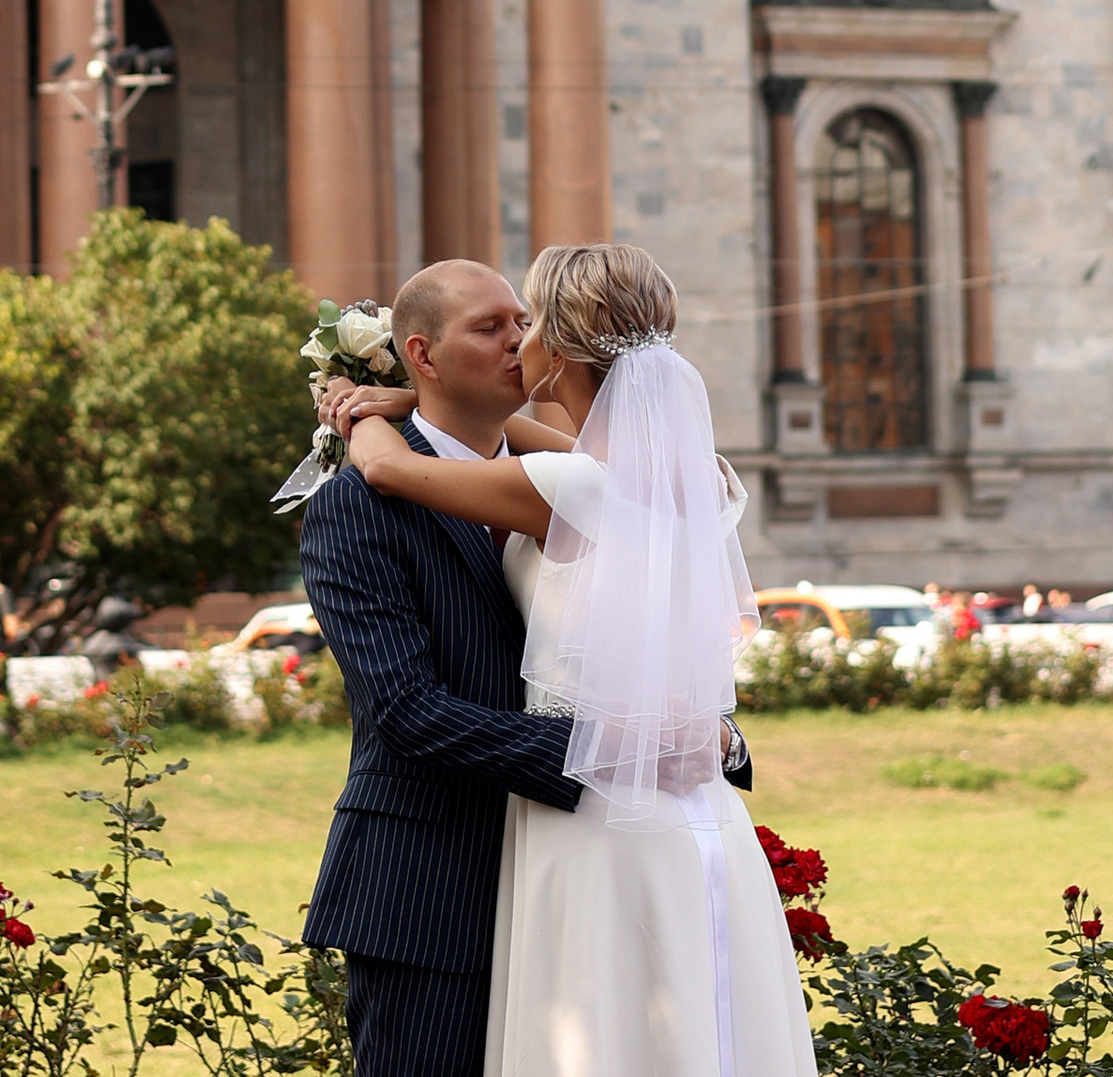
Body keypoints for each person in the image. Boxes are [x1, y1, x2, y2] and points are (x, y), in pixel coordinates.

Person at [315, 247, 814, 1077]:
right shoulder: (676, 479)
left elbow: (392, 465)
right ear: (422, 354)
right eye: (493, 326)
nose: (518, 340)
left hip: (595, 835)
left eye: (528, 321)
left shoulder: (565, 482)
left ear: (566, 347)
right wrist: (629, 748)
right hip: (437, 886)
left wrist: (357, 412)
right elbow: (405, 712)